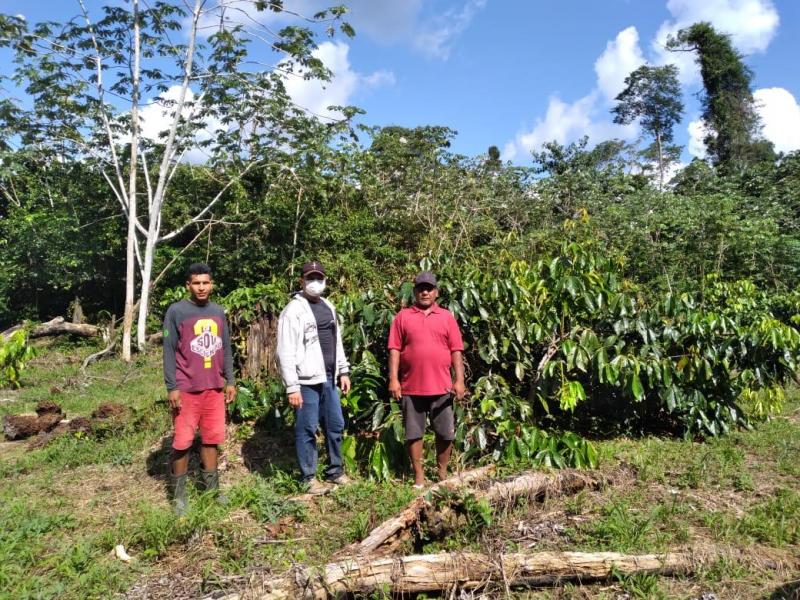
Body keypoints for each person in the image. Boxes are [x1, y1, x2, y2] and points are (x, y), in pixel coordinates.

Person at [163, 262, 236, 516]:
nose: (201, 287)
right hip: (186, 389)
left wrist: (230, 380)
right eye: (196, 283)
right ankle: (179, 498)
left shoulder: (217, 311)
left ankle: (212, 490)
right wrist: (172, 386)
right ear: (188, 285)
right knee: (182, 442)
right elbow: (169, 352)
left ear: (211, 284)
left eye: (205, 282)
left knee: (211, 439)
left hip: (214, 389)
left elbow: (226, 348)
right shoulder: (176, 312)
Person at [276, 260, 352, 494]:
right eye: (310, 278)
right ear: (302, 281)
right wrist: (292, 386)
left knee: (335, 425)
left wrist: (343, 370)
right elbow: (284, 351)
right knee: (307, 428)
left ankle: (335, 471)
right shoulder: (293, 311)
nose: (315, 283)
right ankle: (308, 477)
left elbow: (336, 341)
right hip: (306, 382)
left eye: (319, 278)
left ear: (325, 280)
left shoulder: (328, 306)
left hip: (329, 378)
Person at [388, 271, 466, 487]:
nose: (425, 292)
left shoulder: (447, 317)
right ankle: (419, 476)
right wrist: (393, 379)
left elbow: (456, 350)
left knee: (446, 432)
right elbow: (394, 349)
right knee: (414, 433)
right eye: (421, 288)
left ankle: (442, 473)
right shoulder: (403, 317)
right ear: (414, 292)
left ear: (436, 292)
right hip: (411, 387)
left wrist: (459, 380)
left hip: (441, 386)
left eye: (429, 288)